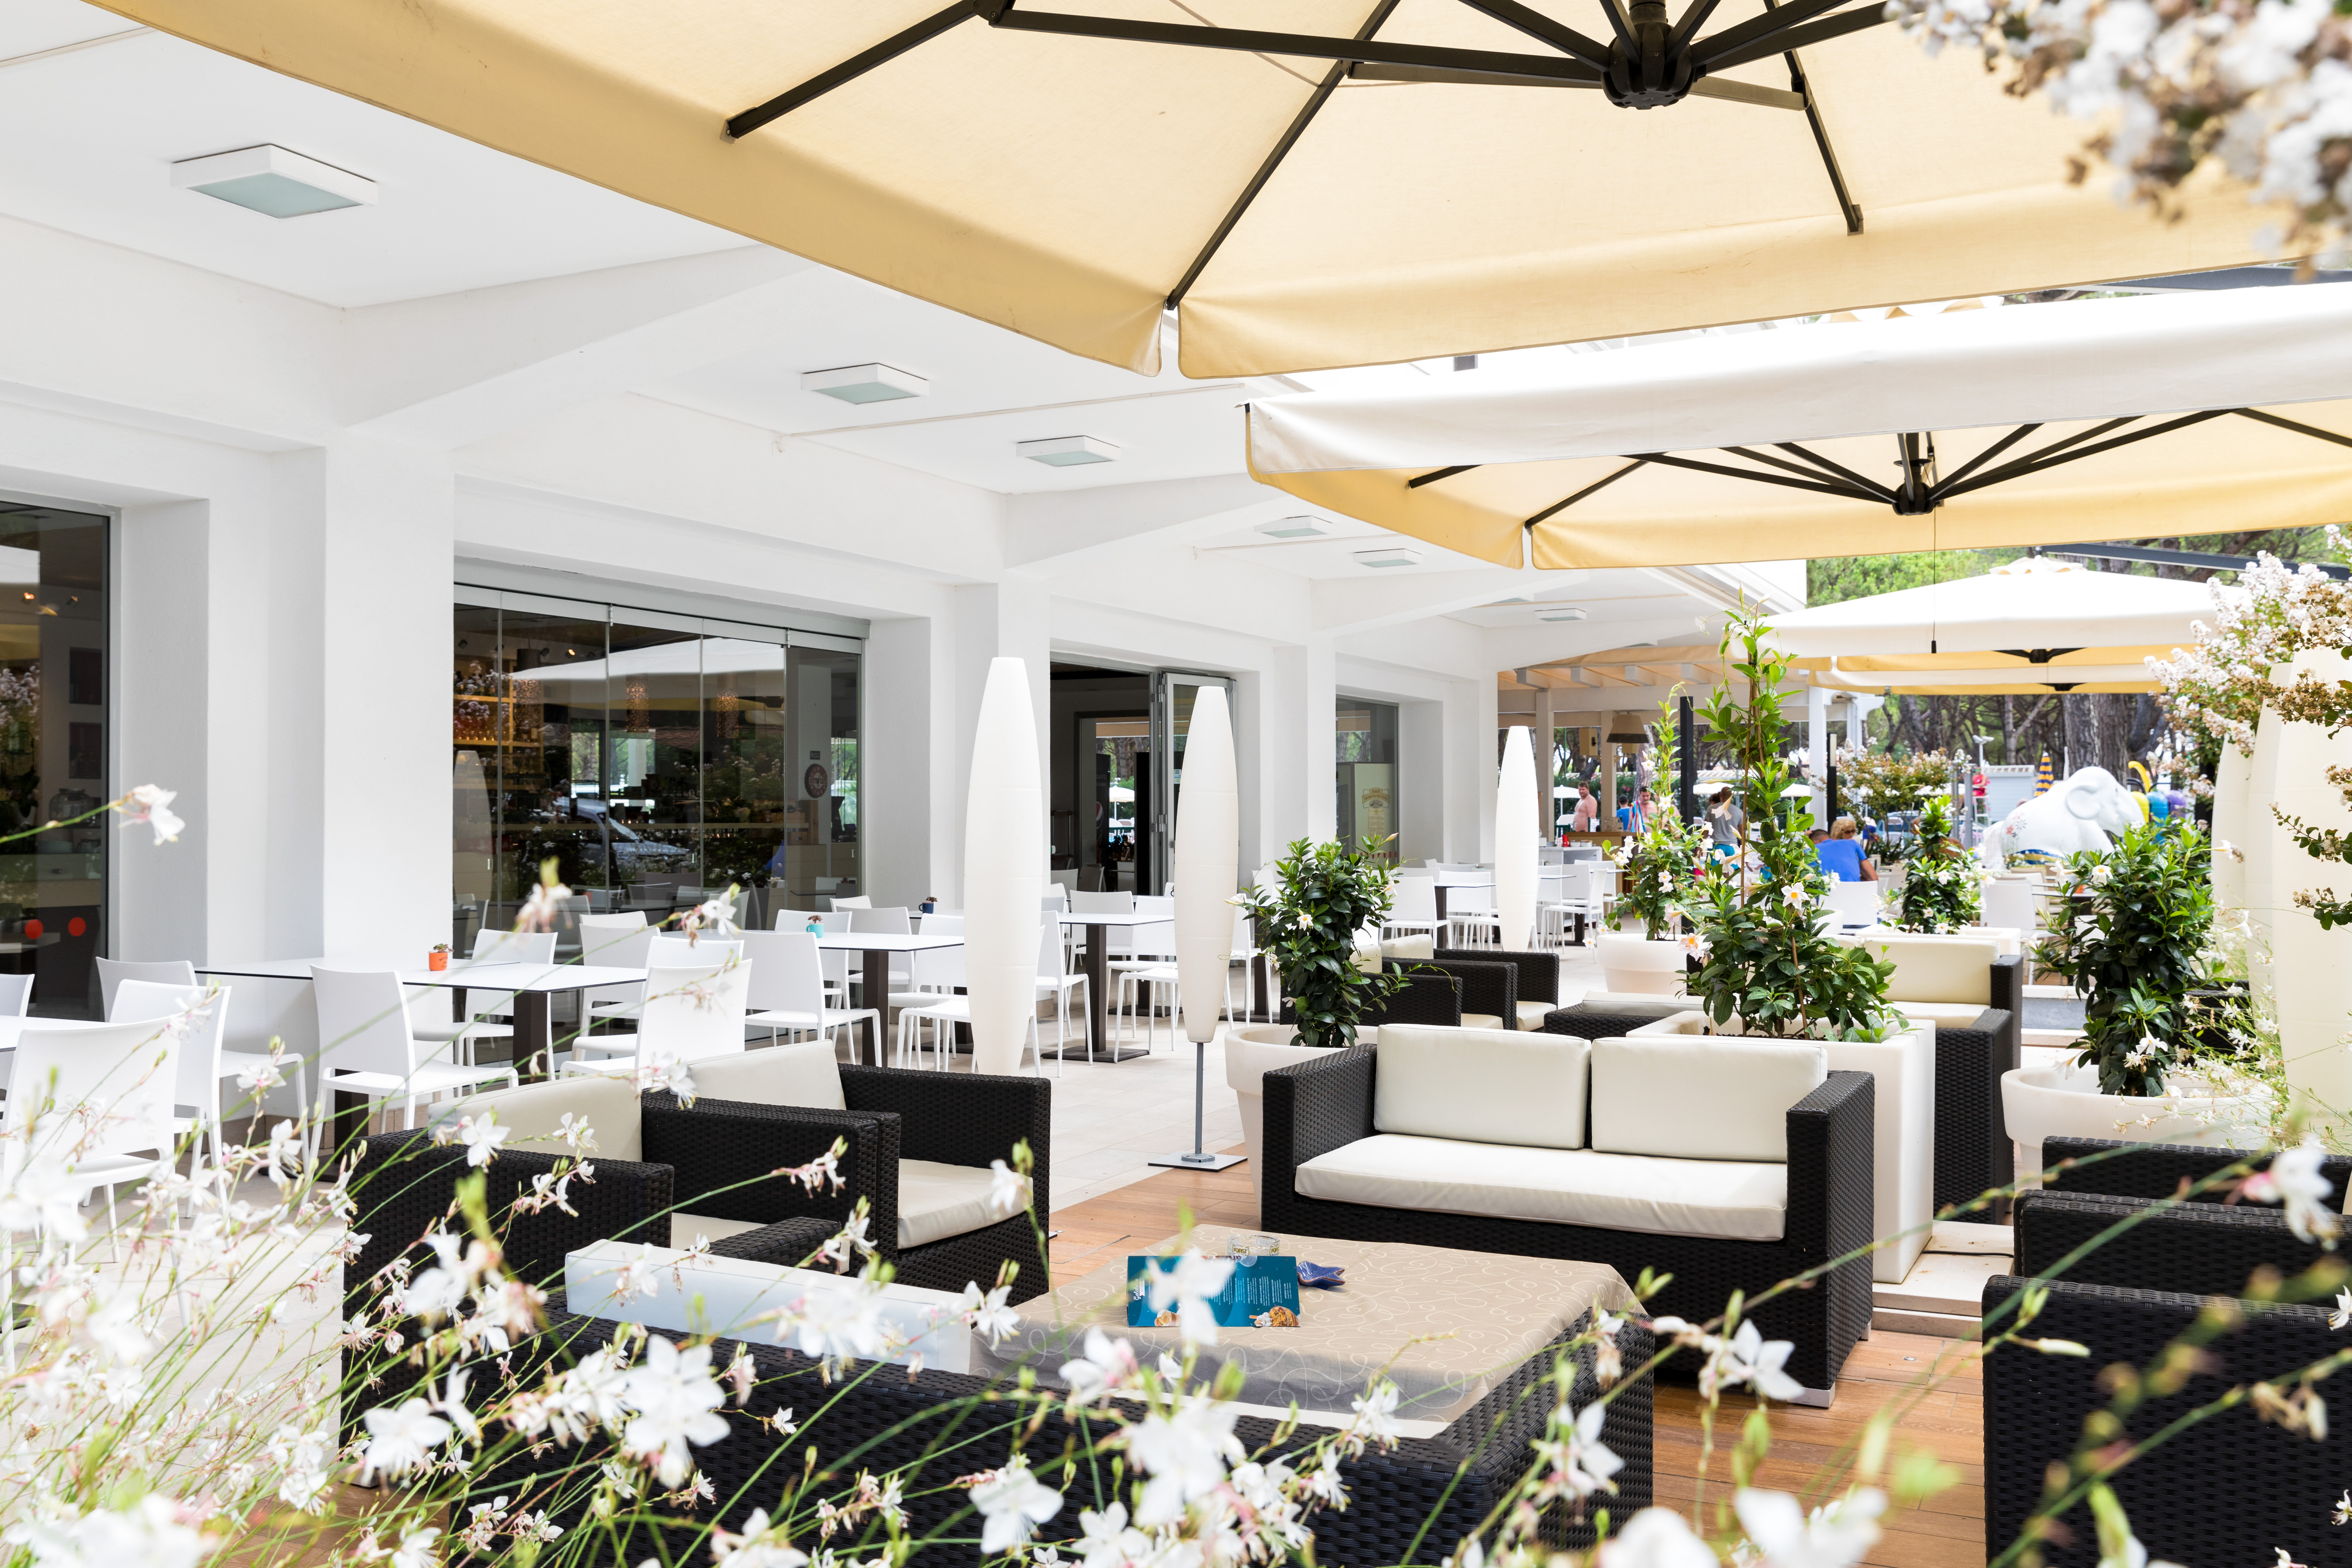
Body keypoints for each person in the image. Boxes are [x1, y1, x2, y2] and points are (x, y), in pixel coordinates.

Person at [1816, 816, 1876, 881]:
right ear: (1838, 833)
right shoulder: (1854, 844)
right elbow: (1873, 878)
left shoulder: (1819, 848)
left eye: (1853, 831)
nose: (1851, 834)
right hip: (1851, 888)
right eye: (1848, 832)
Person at [1706, 786, 1743, 855]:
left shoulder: (1711, 809)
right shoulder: (1739, 811)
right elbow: (1742, 832)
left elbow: (1705, 829)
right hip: (1733, 847)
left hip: (1716, 846)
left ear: (1720, 795)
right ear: (1732, 796)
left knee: (1715, 866)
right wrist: (1745, 848)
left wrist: (1699, 846)